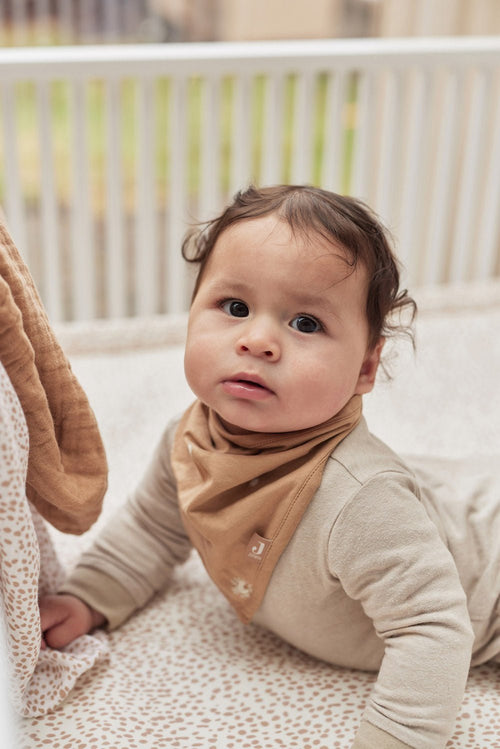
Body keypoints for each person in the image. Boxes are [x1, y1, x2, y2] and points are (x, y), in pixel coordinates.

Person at [39, 185, 500, 749]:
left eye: (305, 324)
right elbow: (154, 529)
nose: (257, 340)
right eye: (234, 308)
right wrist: (88, 598)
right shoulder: (190, 440)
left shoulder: (359, 502)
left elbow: (432, 629)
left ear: (365, 366)